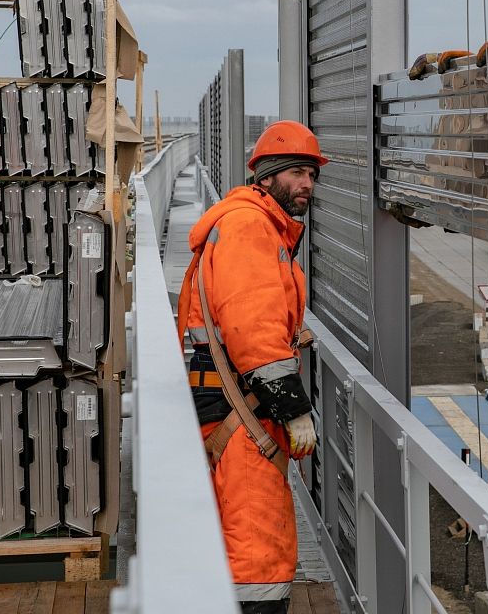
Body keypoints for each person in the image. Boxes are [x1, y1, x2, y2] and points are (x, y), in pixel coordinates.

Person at [177, 120, 325, 613]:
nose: (308, 184)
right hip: (242, 409)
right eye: (298, 172)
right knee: (257, 546)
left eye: (312, 174)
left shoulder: (256, 225)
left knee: (241, 535)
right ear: (268, 177)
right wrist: (293, 407)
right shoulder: (250, 228)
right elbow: (251, 325)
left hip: (231, 403)